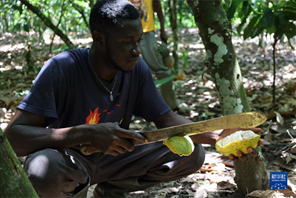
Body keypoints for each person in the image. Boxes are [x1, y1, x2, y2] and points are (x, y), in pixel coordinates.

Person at [4, 1, 261, 197]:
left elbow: (166, 118)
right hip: (70, 160)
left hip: (116, 156)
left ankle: (111, 189)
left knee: (191, 155)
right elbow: (14, 139)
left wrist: (216, 134)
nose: (137, 51)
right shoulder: (62, 68)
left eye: (138, 41)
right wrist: (84, 134)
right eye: (127, 42)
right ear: (99, 39)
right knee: (42, 169)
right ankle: (76, 189)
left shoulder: (136, 69)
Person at [129, 0, 189, 114]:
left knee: (161, 70)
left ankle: (172, 106)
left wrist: (162, 29)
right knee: (127, 69)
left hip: (147, 31)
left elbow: (157, 5)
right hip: (125, 30)